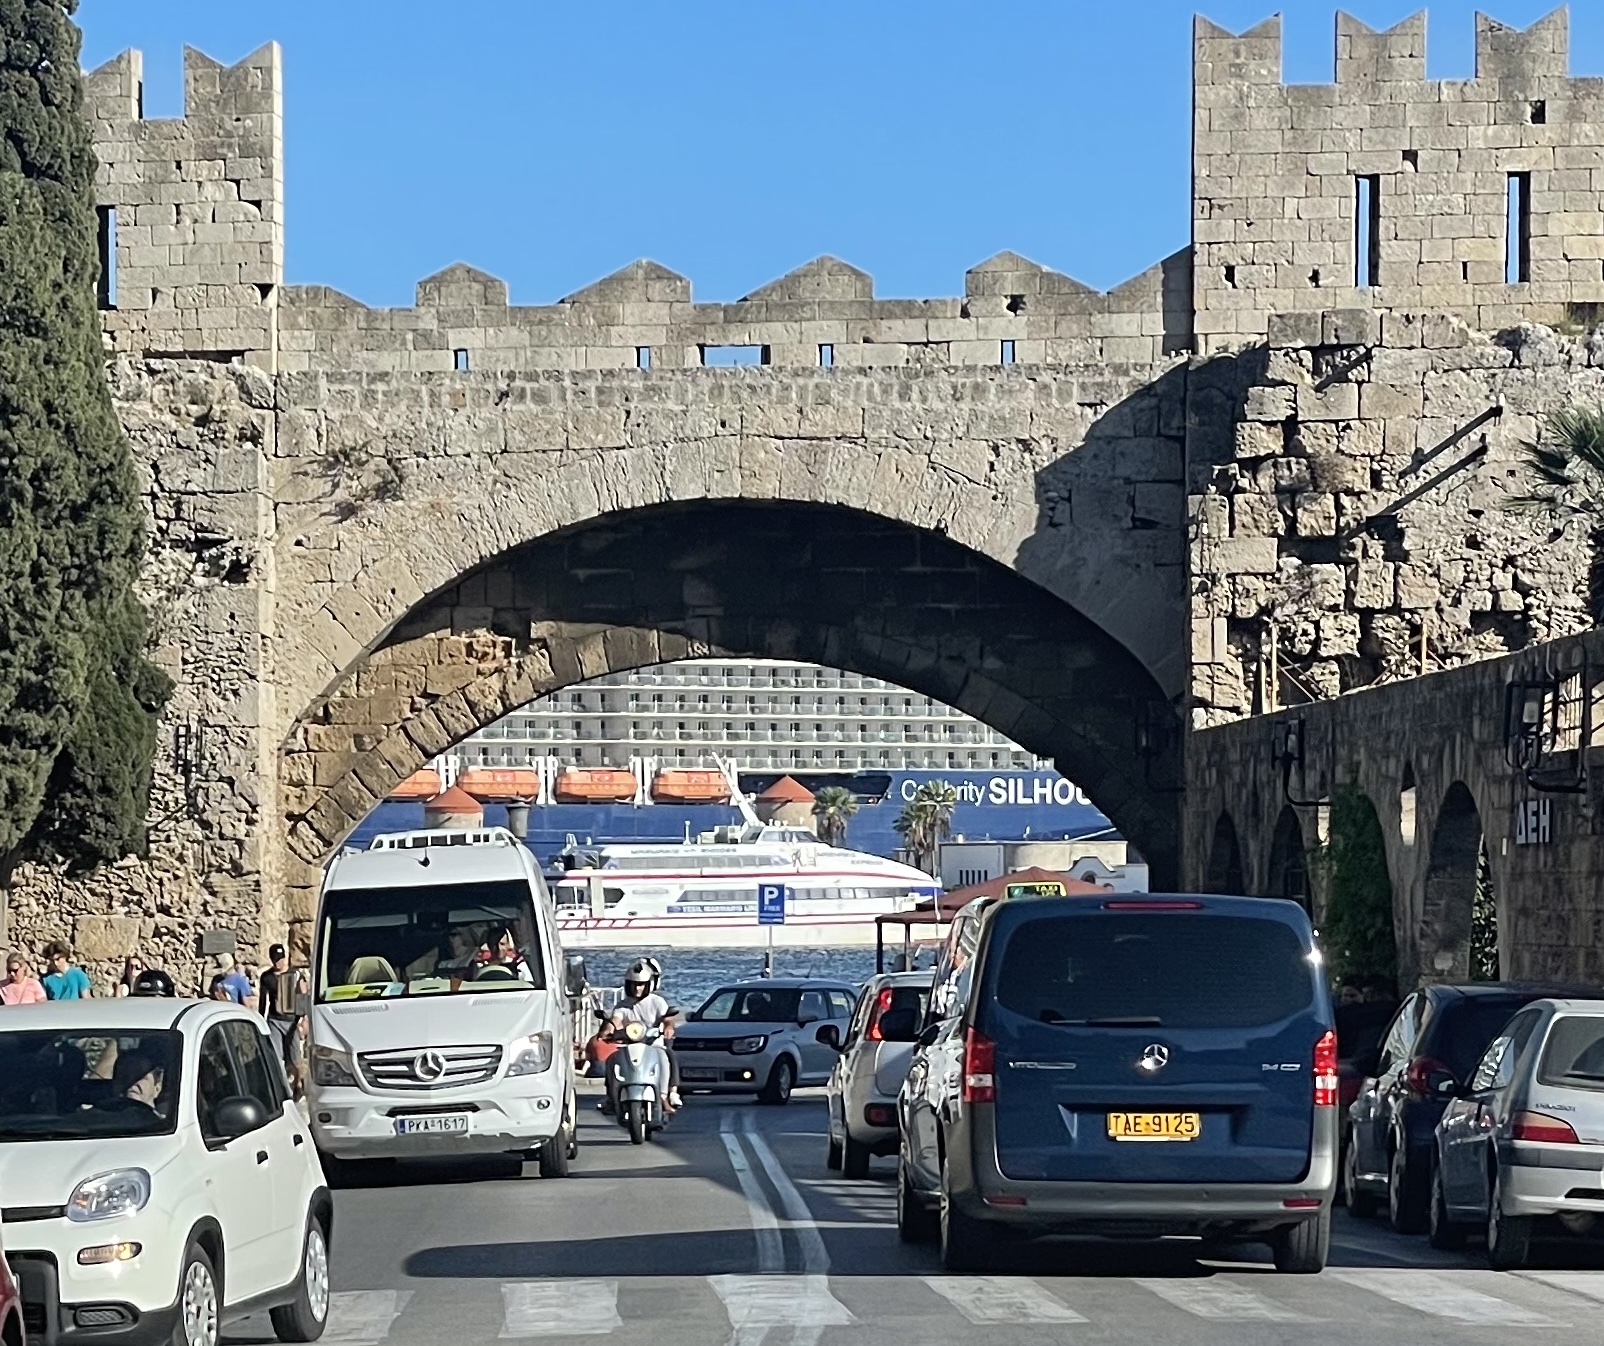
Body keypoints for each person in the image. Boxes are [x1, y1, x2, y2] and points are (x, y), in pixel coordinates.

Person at [604, 959, 680, 1113]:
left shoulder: (657, 1002)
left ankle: (667, 1095)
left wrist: (668, 1027)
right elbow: (616, 1020)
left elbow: (668, 1018)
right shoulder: (623, 1005)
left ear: (649, 984)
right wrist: (608, 1029)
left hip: (653, 1043)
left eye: (641, 984)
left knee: (666, 1057)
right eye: (633, 984)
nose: (637, 988)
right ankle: (612, 1097)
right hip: (628, 1045)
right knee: (612, 1060)